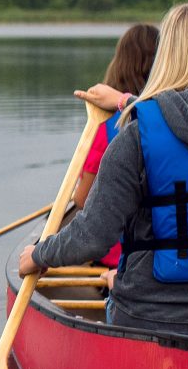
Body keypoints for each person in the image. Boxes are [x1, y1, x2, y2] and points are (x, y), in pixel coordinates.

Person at [17, 1, 188, 335]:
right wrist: (125, 101)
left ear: (169, 52)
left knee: (119, 282)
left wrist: (40, 255)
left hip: (155, 316)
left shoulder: (136, 131)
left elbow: (94, 237)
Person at [66, 21, 161, 274]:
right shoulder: (173, 119)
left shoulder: (105, 123)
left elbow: (83, 199)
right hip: (165, 256)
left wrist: (76, 192)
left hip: (117, 261)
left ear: (119, 62)